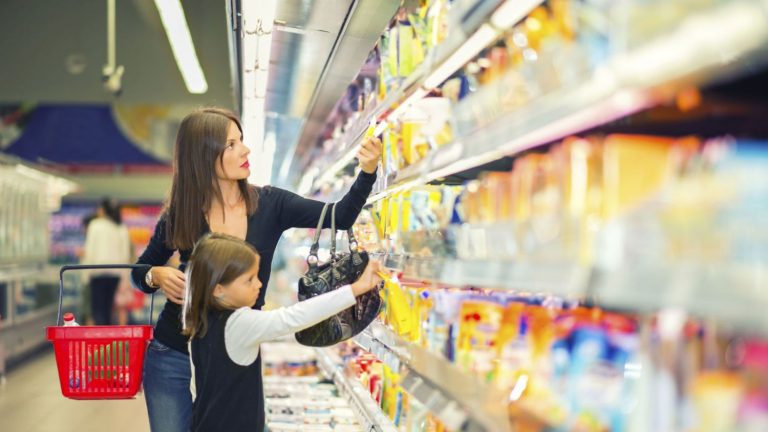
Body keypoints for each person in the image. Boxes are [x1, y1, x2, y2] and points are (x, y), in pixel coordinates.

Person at [130, 107, 381, 432]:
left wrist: (368, 171)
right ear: (204, 156)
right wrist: (156, 275)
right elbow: (141, 272)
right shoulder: (182, 214)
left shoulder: (270, 204)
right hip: (173, 351)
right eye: (231, 145)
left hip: (232, 354)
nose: (245, 150)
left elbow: (340, 216)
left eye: (242, 140)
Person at [183, 233, 383, 431]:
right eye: (249, 280)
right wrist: (356, 288)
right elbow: (293, 317)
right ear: (218, 289)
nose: (259, 285)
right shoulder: (237, 323)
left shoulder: (201, 321)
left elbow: (197, 389)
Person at [82, 198, 132, 325]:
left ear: (103, 210)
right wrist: (124, 279)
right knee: (109, 309)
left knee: (97, 311)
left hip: (97, 273)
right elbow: (125, 255)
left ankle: (99, 342)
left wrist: (85, 275)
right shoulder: (121, 227)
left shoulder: (95, 225)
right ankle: (108, 342)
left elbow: (90, 251)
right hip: (115, 274)